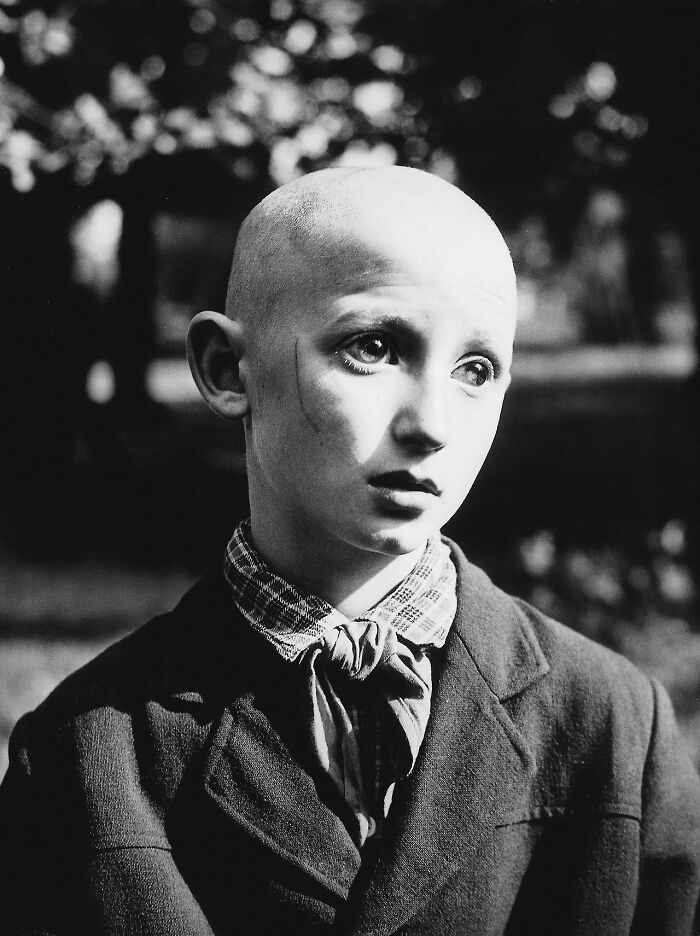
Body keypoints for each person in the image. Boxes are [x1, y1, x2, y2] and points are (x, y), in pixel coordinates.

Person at [1, 166, 699, 935]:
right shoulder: (88, 754)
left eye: (476, 369)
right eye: (373, 347)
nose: (432, 422)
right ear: (227, 369)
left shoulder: (612, 724)